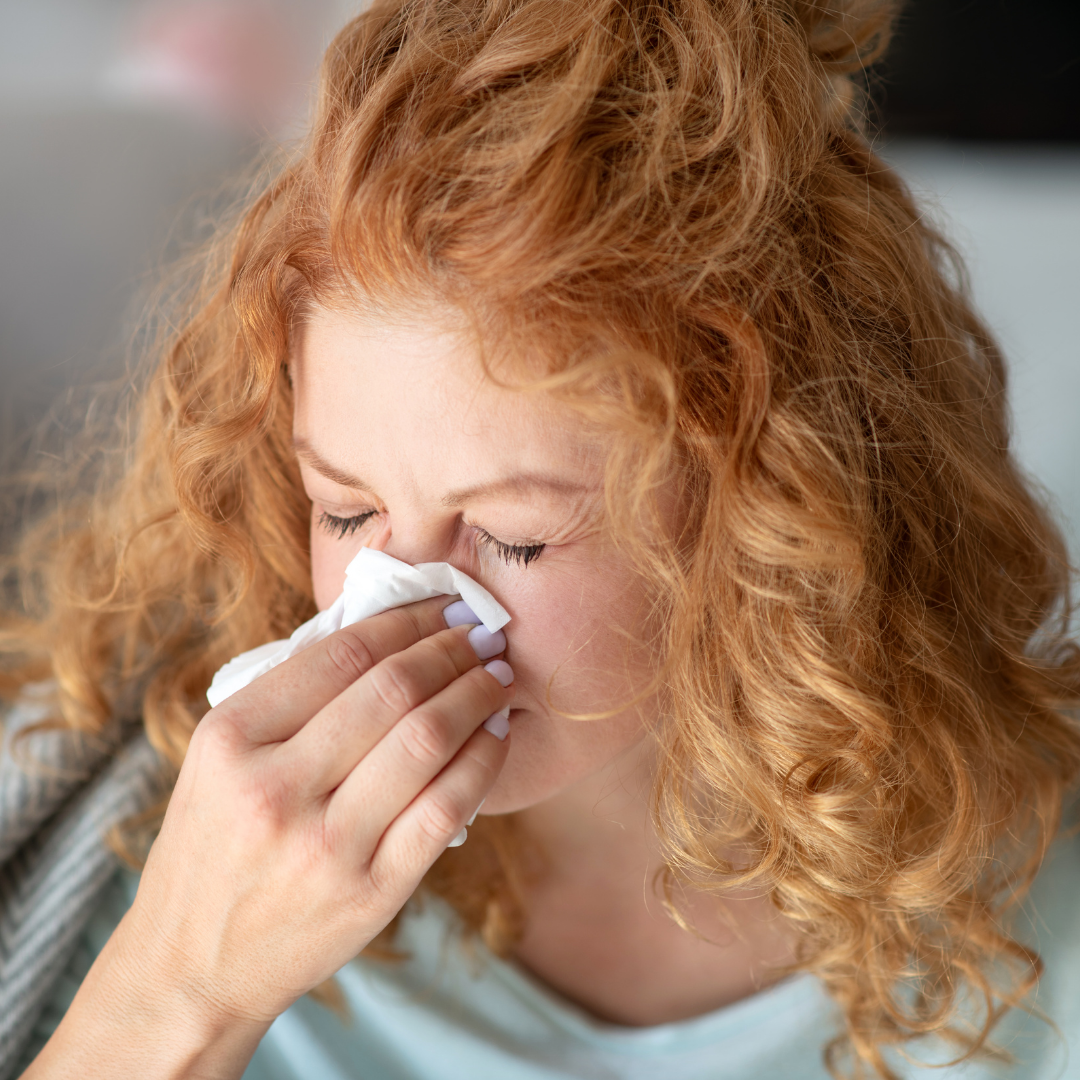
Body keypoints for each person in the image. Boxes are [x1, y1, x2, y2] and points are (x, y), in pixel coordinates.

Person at [3, 0, 1080, 1077]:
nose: (398, 599)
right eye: (345, 508)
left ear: (767, 520)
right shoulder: (163, 838)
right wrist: (185, 988)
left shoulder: (1041, 913)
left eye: (512, 538)